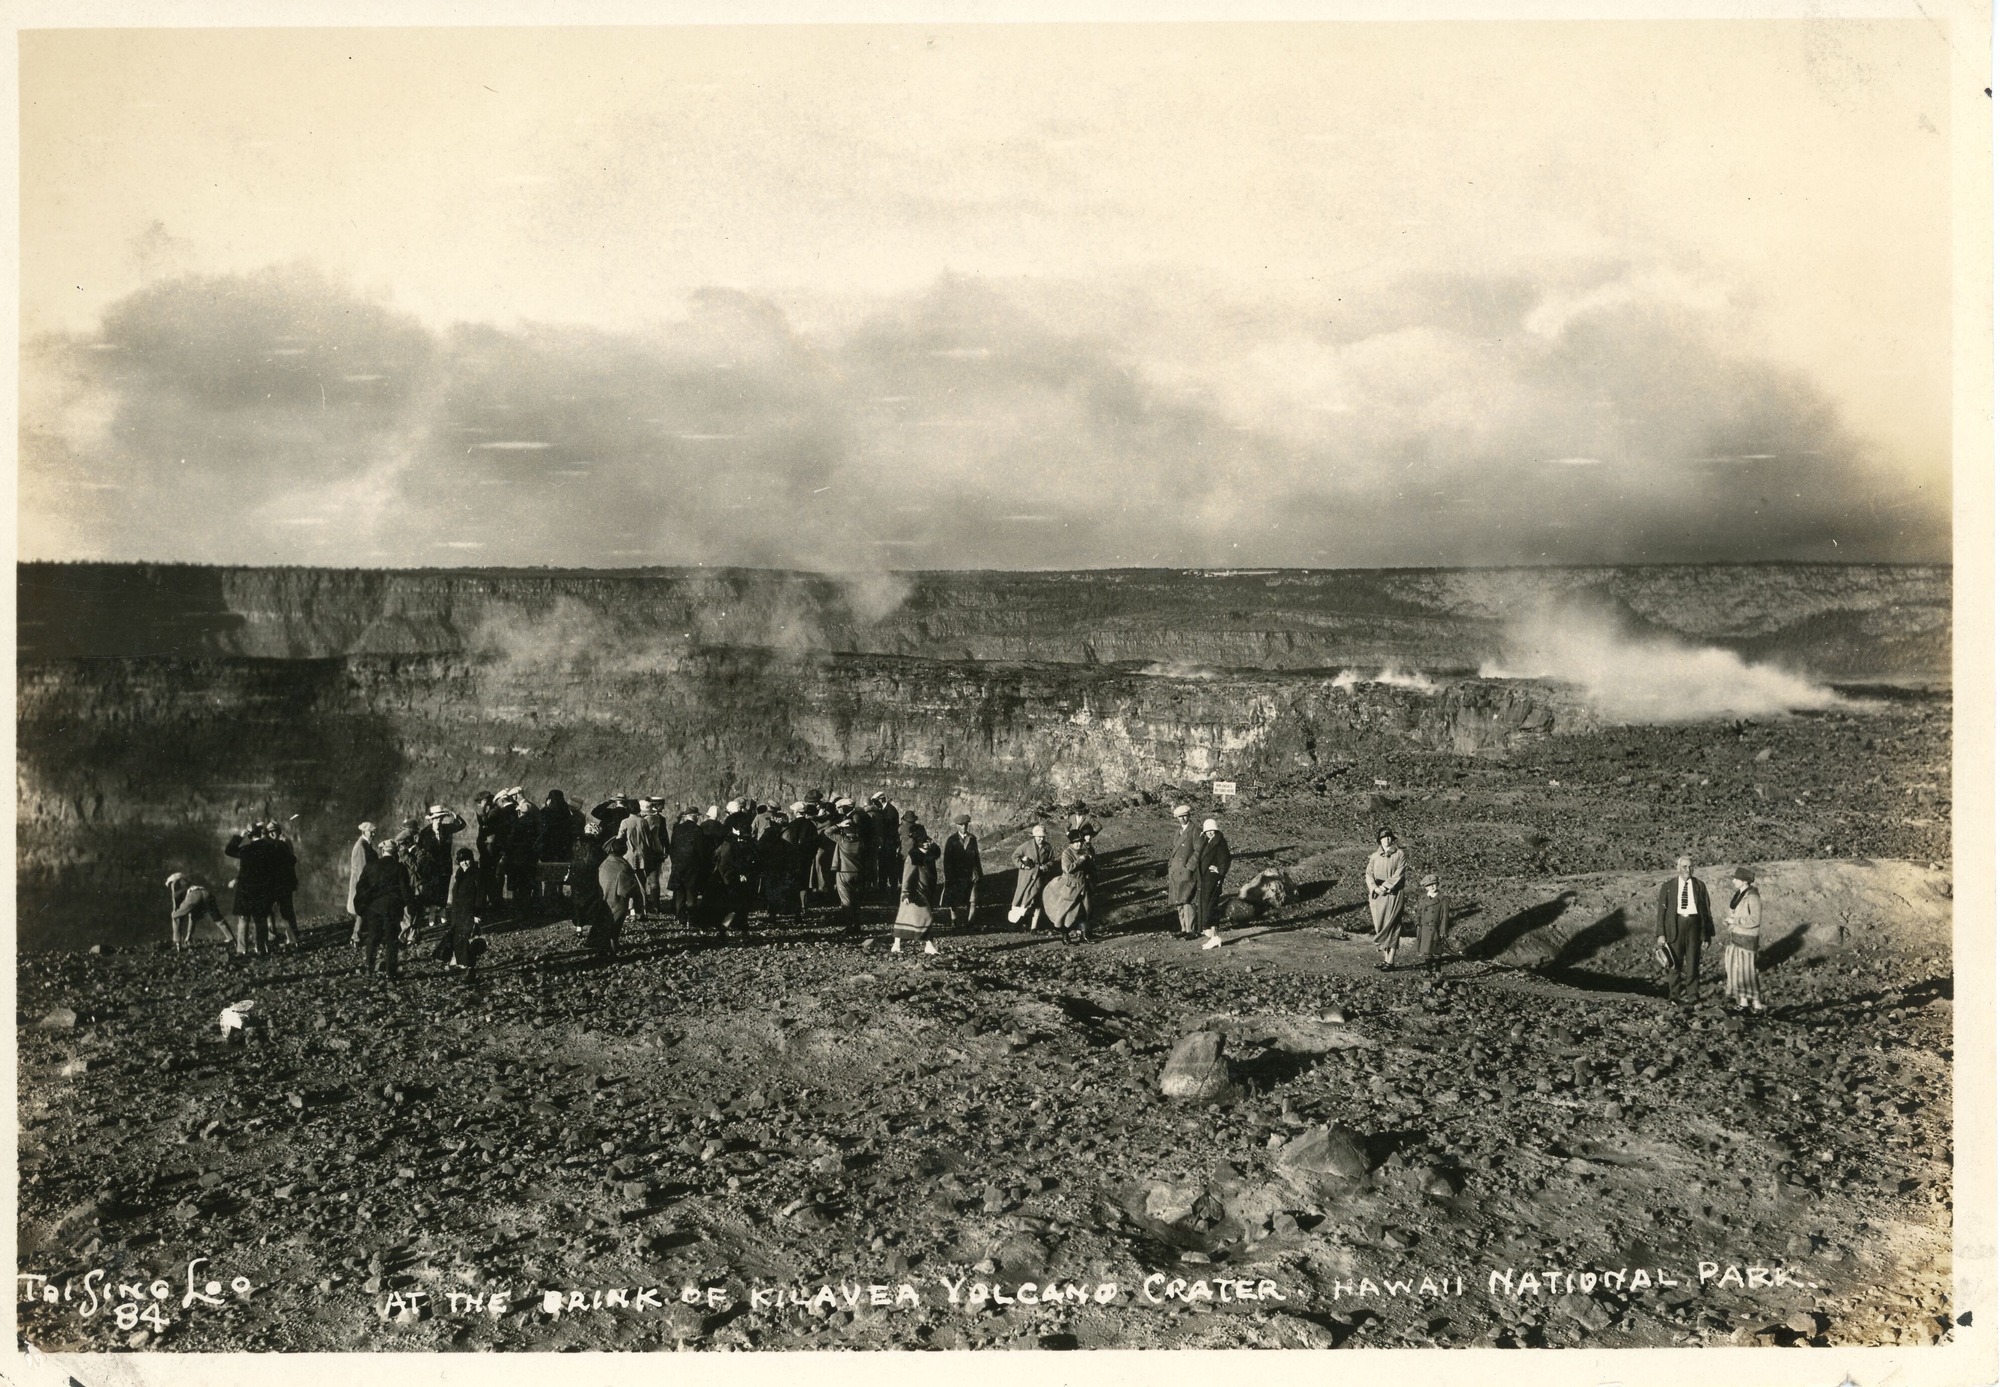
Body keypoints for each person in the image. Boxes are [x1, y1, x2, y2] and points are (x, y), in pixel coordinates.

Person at [1654, 854, 1715, 1006]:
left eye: (1690, 867)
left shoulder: (1700, 886)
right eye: (1684, 867)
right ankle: (1674, 996)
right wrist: (1661, 933)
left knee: (1693, 962)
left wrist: (1707, 935)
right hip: (1675, 926)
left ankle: (1693, 996)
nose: (1688, 870)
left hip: (1694, 925)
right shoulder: (1668, 887)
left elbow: (1706, 911)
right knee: (1675, 962)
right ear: (1678, 868)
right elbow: (1661, 912)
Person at [352, 841, 414, 979]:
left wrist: (365, 905)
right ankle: (390, 973)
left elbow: (361, 887)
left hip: (374, 909)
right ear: (396, 852)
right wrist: (407, 905)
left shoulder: (371, 866)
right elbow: (406, 891)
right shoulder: (400, 867)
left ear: (382, 851)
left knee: (373, 939)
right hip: (393, 909)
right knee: (392, 941)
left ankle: (369, 970)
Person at [223, 822, 280, 960]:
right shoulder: (270, 848)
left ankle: (242, 950)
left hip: (245, 890)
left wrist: (240, 836)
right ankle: (261, 948)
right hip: (262, 889)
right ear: (261, 834)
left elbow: (229, 850)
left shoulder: (246, 850)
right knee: (260, 919)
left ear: (251, 836)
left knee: (243, 919)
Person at [893, 824, 942, 955]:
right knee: (926, 917)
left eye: (928, 841)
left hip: (926, 891)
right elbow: (906, 877)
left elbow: (937, 851)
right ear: (919, 843)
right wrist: (906, 893)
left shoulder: (930, 853)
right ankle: (929, 945)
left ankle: (897, 944)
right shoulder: (912, 857)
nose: (927, 843)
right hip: (916, 893)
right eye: (924, 841)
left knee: (905, 919)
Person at [436, 846, 485, 976]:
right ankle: (459, 963)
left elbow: (480, 895)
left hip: (470, 913)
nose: (464, 863)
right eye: (461, 861)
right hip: (458, 913)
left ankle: (470, 967)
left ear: (471, 859)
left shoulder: (477, 874)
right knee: (458, 940)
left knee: (468, 941)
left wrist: (477, 913)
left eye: (467, 860)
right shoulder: (459, 874)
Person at [590, 838, 643, 956]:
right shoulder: (622, 866)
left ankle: (604, 948)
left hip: (605, 899)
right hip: (617, 901)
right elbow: (625, 890)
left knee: (605, 924)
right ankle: (612, 951)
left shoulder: (604, 863)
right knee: (614, 928)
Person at [1721, 866, 1763, 1012]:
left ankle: (1757, 1006)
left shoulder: (1752, 896)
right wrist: (1730, 920)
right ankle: (1744, 1003)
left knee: (1748, 972)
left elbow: (1755, 920)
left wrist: (1735, 921)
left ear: (1744, 881)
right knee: (1737, 971)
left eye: (1735, 878)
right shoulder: (1740, 894)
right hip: (1736, 937)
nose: (1733, 881)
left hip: (1747, 939)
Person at [1365, 827, 1407, 969]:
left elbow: (1399, 874)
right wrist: (1374, 888)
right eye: (1384, 837)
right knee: (1381, 925)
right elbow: (1368, 874)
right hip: (1378, 897)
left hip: (1393, 894)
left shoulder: (1400, 854)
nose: (1387, 839)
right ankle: (1385, 959)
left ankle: (1391, 961)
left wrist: (1385, 887)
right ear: (1380, 840)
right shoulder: (1374, 857)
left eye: (1389, 837)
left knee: (1393, 925)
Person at [711, 820, 760, 940]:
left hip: (728, 878)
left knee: (733, 905)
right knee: (740, 906)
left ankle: (725, 928)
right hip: (740, 879)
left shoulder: (727, 843)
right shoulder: (749, 844)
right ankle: (736, 930)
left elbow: (717, 858)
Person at [824, 810, 869, 936]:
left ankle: (849, 926)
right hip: (858, 872)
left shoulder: (842, 840)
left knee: (846, 901)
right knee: (856, 900)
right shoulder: (861, 842)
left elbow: (827, 832)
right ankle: (857, 925)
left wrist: (839, 825)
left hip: (844, 872)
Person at [1043, 837, 1092, 944]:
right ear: (1071, 843)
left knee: (1084, 910)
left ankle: (1084, 936)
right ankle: (1065, 936)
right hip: (1070, 886)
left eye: (1080, 842)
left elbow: (1089, 868)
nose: (1079, 844)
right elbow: (1068, 869)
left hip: (1083, 885)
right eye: (1076, 842)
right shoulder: (1066, 853)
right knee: (1066, 911)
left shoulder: (1083, 851)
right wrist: (1080, 860)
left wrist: (1089, 859)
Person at [1010, 824, 1058, 930]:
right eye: (1039, 836)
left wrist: (1044, 867)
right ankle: (1021, 923)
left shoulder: (1047, 847)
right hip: (1026, 878)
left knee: (1036, 900)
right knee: (1023, 900)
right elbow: (1015, 856)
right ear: (1034, 836)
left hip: (1039, 878)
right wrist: (1022, 865)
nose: (1041, 839)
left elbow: (1052, 861)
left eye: (1043, 837)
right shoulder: (1026, 845)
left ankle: (1034, 927)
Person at [940, 814, 983, 930]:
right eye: (961, 825)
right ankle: (954, 920)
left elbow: (976, 857)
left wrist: (978, 872)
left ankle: (970, 922)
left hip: (970, 874)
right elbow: (947, 861)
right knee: (954, 899)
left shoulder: (972, 839)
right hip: (956, 874)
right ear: (957, 826)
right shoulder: (951, 840)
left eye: (965, 824)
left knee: (972, 899)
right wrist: (949, 876)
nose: (963, 827)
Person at [1193, 818, 1233, 940]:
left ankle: (1213, 932)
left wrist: (1220, 870)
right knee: (1204, 903)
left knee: (1210, 904)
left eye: (1212, 830)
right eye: (1208, 830)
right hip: (1204, 878)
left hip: (1212, 878)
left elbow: (1226, 858)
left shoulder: (1219, 842)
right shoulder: (1207, 841)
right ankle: (1205, 929)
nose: (1210, 832)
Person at [536, 790, 578, 906]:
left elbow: (541, 829)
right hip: (562, 850)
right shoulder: (566, 812)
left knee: (549, 879)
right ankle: (558, 899)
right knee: (559, 877)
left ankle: (549, 902)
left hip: (548, 850)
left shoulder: (546, 812)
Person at [670, 807, 711, 922]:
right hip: (692, 865)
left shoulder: (677, 829)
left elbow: (672, 847)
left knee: (679, 891)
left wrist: (674, 861)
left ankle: (680, 917)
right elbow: (701, 850)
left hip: (678, 863)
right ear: (695, 817)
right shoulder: (697, 830)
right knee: (691, 891)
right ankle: (691, 918)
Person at [473, 790, 512, 908]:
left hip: (491, 847)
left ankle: (494, 900)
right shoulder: (489, 810)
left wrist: (482, 811)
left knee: (490, 873)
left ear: (486, 801)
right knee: (489, 873)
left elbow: (487, 825)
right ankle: (492, 899)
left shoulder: (494, 811)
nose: (479, 804)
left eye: (480, 802)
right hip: (487, 846)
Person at [167, 872, 225, 949]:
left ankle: (177, 942)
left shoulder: (173, 882)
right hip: (206, 893)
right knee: (216, 917)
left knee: (175, 915)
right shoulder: (188, 880)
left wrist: (175, 911)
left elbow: (175, 899)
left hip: (194, 895)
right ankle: (232, 940)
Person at [504, 789, 541, 909]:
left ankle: (518, 907)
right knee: (527, 882)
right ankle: (528, 906)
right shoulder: (531, 824)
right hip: (529, 856)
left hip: (518, 858)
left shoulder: (517, 825)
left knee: (519, 883)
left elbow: (510, 841)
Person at [780, 803, 818, 921]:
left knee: (793, 883)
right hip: (806, 858)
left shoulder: (791, 826)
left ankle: (794, 910)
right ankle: (804, 908)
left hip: (792, 858)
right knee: (804, 882)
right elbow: (815, 843)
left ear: (796, 812)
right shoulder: (811, 825)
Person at [1166, 803, 1199, 937]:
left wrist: (1189, 867)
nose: (1183, 819)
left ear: (1189, 816)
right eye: (1180, 817)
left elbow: (1198, 851)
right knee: (1178, 901)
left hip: (1186, 871)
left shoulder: (1195, 830)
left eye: (1185, 816)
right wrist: (1170, 865)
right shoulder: (1177, 831)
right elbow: (1174, 850)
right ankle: (1183, 928)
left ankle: (1191, 930)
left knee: (1187, 901)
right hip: (1175, 871)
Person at [347, 821, 378, 948]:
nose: (373, 834)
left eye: (374, 832)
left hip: (365, 883)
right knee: (362, 909)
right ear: (364, 832)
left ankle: (358, 936)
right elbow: (361, 869)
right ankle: (356, 937)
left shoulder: (366, 844)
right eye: (371, 832)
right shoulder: (361, 846)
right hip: (362, 884)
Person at [1411, 872, 1448, 967]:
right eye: (1429, 885)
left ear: (1438, 884)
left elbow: (1445, 916)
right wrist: (1417, 923)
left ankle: (1437, 970)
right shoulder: (1422, 898)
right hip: (1424, 928)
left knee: (1437, 950)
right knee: (1426, 950)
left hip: (1436, 928)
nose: (1432, 887)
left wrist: (1443, 931)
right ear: (1426, 887)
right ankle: (1428, 970)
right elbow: (1418, 912)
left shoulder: (1443, 899)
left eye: (1434, 884)